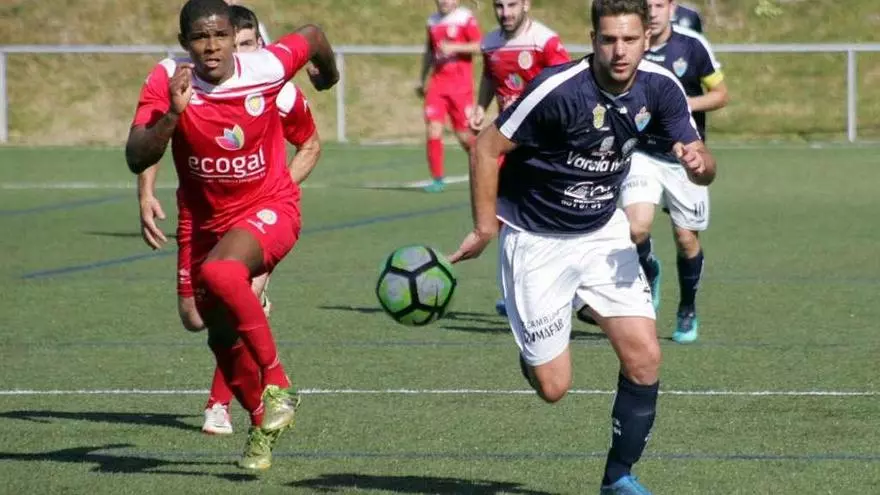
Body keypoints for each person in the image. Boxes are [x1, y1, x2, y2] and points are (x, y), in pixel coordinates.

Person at [448, 0, 716, 492]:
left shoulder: (661, 87)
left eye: (630, 39)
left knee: (645, 356)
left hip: (602, 233)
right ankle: (536, 350)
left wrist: (699, 163)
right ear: (593, 40)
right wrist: (485, 229)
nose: (620, 51)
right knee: (554, 388)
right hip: (537, 239)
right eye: (609, 39)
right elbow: (487, 147)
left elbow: (703, 159)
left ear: (646, 38)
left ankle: (618, 477)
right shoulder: (558, 89)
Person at [125, 0, 338, 470]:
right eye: (200, 38)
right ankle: (262, 426)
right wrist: (172, 115)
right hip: (206, 222)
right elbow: (136, 155)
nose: (212, 46)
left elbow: (313, 34)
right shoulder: (168, 78)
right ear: (184, 43)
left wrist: (328, 75)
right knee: (217, 336)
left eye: (220, 35)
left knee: (221, 273)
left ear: (233, 36)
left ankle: (279, 384)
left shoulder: (266, 68)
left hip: (270, 208)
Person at [619, 0, 728, 343]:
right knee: (636, 228)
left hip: (686, 154)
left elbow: (721, 94)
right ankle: (649, 268)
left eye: (658, 4)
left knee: (686, 239)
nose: (652, 12)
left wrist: (681, 103)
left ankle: (687, 306)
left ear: (670, 6)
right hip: (643, 153)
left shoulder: (692, 46)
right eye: (647, 5)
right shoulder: (631, 44)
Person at [467, 0, 570, 317]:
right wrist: (481, 107)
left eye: (512, 4)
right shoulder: (490, 42)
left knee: (550, 218)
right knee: (503, 217)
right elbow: (490, 76)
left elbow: (567, 83)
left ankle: (566, 287)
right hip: (507, 143)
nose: (506, 12)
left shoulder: (545, 41)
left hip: (544, 147)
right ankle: (511, 292)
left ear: (526, 4)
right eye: (499, 6)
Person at [416, 0, 482, 193]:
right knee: (433, 129)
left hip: (460, 87)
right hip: (437, 84)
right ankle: (437, 179)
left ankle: (491, 165)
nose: (445, 1)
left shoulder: (465, 18)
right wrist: (422, 79)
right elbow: (429, 52)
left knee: (464, 136)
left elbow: (480, 46)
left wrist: (455, 47)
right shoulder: (432, 21)